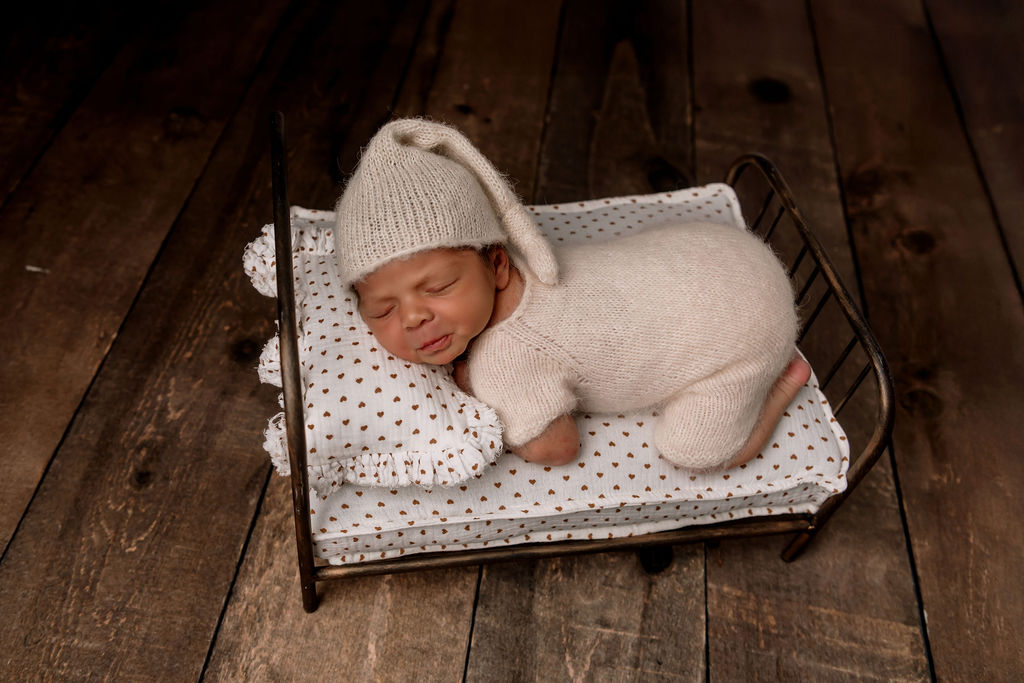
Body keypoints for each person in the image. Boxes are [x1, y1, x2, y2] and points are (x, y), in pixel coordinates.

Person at [334, 118, 810, 470]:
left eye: (438, 288)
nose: (413, 318)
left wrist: (474, 387)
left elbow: (557, 448)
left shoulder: (505, 359)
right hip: (725, 250)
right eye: (383, 310)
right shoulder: (527, 255)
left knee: (692, 450)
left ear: (497, 265)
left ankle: (781, 387)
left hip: (747, 329)